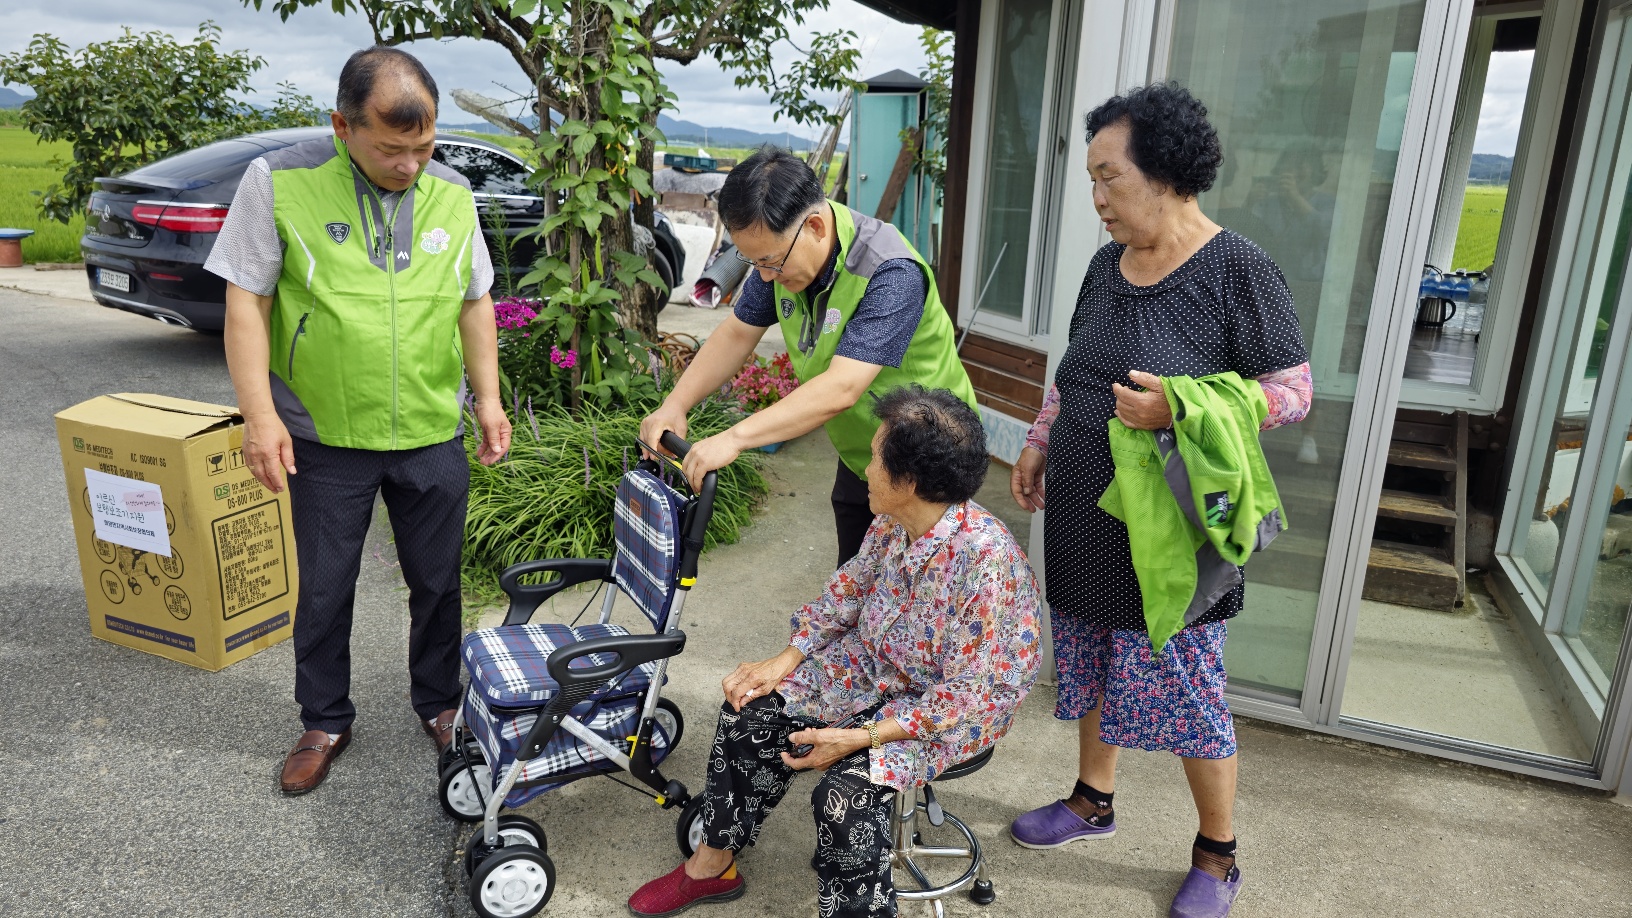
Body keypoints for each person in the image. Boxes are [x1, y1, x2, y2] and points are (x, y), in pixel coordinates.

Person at [1005, 83, 1313, 918]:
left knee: (1189, 692)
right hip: (1083, 515)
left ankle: (1219, 855)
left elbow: (1292, 391)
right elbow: (1075, 374)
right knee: (1095, 660)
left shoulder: (1236, 267)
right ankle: (1091, 800)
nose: (1098, 199)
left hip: (1172, 531)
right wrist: (1038, 439)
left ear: (1169, 172)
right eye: (1092, 181)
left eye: (1111, 178)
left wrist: (1180, 404)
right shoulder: (1106, 266)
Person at [207, 47, 512, 795]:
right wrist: (258, 417)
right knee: (325, 585)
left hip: (430, 430)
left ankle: (440, 706)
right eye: (390, 148)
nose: (410, 164)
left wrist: (491, 398)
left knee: (438, 583)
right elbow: (246, 300)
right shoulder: (278, 181)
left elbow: (475, 300)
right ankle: (325, 718)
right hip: (323, 435)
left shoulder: (452, 192)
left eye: (423, 145)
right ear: (342, 126)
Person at [628, 386, 1041, 918]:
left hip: (946, 712)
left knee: (842, 800)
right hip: (875, 667)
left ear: (909, 482)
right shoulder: (897, 520)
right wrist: (787, 658)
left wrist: (854, 739)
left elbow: (959, 699)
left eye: (874, 459)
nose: (865, 470)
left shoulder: (984, 564)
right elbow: (849, 589)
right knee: (748, 711)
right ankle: (712, 866)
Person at [639, 147, 978, 567]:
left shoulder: (891, 270)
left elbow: (842, 387)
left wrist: (733, 438)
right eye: (753, 261)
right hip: (868, 458)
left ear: (815, 226)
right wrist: (675, 404)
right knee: (851, 596)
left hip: (931, 467)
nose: (764, 276)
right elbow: (736, 333)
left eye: (770, 262)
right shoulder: (780, 252)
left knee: (925, 608)